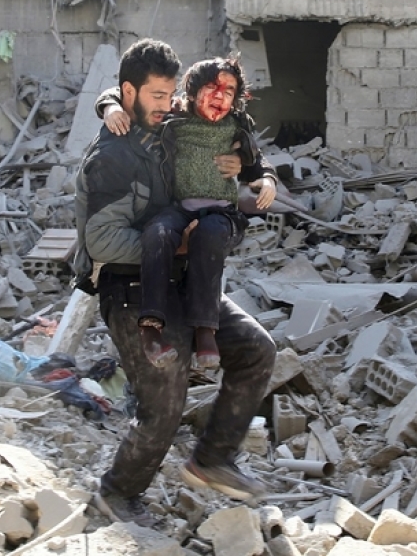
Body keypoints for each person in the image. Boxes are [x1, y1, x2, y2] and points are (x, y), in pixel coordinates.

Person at [73, 39, 278, 527]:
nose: (169, 107)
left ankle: (213, 458)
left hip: (183, 280)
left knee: (256, 349)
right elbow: (101, 242)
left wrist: (253, 173)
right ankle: (115, 494)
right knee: (164, 401)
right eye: (158, 98)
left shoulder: (166, 129)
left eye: (170, 96)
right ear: (130, 93)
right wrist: (180, 246)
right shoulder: (111, 158)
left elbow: (238, 142)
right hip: (131, 290)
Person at [100, 56, 277, 370]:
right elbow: (124, 95)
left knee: (208, 237)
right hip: (178, 208)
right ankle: (151, 327)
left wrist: (267, 180)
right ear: (192, 92)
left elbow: (256, 164)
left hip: (222, 214)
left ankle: (205, 329)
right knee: (157, 233)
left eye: (229, 90)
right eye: (212, 88)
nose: (220, 96)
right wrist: (111, 108)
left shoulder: (238, 124)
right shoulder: (173, 115)